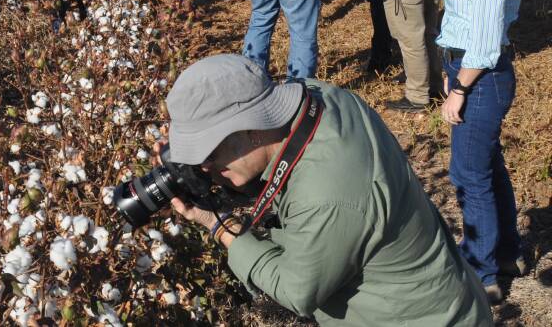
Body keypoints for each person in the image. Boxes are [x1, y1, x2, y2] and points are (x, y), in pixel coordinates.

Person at [157, 54, 492, 326]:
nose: (204, 168)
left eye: (208, 154)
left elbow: (296, 290)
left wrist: (219, 226)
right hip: (441, 298)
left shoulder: (327, 196)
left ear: (252, 129)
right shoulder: (318, 96)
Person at [426, 0, 526, 304]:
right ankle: (506, 254)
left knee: (469, 174)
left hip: (480, 79)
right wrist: (452, 70)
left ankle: (481, 271)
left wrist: (459, 89)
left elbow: (485, 42)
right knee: (488, 166)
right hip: (467, 69)